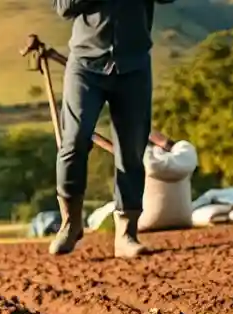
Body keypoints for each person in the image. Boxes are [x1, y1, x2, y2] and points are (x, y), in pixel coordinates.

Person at [49, 0, 176, 259]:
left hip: (134, 67)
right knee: (73, 142)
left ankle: (126, 234)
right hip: (85, 66)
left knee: (131, 150)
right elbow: (63, 7)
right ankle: (70, 223)